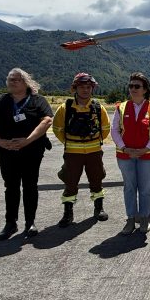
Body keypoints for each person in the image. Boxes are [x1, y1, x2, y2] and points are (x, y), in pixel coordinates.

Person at [0, 68, 53, 240]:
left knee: (30, 186)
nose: (12, 82)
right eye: (10, 79)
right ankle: (10, 223)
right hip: (6, 150)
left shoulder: (37, 100)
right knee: (11, 187)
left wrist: (27, 140)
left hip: (32, 151)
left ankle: (30, 222)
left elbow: (47, 120)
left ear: (26, 82)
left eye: (16, 79)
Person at [52, 72, 111, 228]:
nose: (85, 90)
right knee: (70, 182)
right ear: (75, 88)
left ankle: (99, 208)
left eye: (88, 87)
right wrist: (70, 142)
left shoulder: (98, 108)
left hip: (94, 152)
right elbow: (58, 128)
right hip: (72, 153)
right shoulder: (65, 108)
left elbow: (105, 129)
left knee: (97, 180)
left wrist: (94, 142)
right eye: (82, 87)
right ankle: (68, 213)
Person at [111, 73, 150, 234]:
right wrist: (125, 148)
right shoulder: (121, 107)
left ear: (145, 89)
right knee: (129, 188)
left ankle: (145, 218)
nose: (133, 89)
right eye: (131, 86)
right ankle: (131, 219)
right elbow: (114, 130)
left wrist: (145, 149)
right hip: (125, 156)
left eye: (137, 86)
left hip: (147, 156)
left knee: (145, 189)